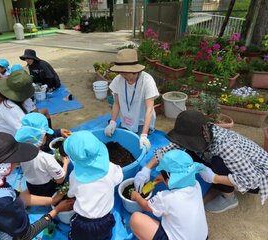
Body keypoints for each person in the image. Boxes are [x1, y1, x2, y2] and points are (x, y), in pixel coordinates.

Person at [135, 110, 268, 213]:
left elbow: (252, 179)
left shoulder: (226, 146)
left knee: (217, 163)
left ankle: (229, 198)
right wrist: (146, 169)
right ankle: (219, 179)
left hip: (259, 175)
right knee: (186, 152)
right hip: (239, 165)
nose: (184, 143)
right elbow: (169, 149)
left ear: (200, 138)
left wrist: (215, 178)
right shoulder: (200, 131)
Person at [130, 149, 208, 240]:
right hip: (202, 237)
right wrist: (164, 179)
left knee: (136, 219)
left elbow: (146, 206)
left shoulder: (166, 198)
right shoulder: (196, 185)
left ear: (168, 179)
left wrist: (136, 196)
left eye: (162, 174)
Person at [64, 130, 123, 240]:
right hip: (105, 221)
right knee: (105, 236)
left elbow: (71, 194)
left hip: (83, 223)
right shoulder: (111, 168)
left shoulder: (74, 176)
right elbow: (119, 177)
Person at [104, 49, 159, 152]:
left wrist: (144, 134)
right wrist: (112, 122)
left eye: (125, 72)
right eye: (120, 72)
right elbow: (116, 103)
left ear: (135, 70)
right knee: (118, 144)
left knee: (135, 147)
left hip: (142, 122)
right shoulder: (118, 80)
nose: (122, 75)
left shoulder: (147, 81)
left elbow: (149, 109)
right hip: (126, 121)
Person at [15, 112, 71, 197]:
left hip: (31, 186)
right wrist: (66, 163)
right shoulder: (47, 158)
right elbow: (60, 179)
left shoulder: (21, 153)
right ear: (43, 137)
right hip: (47, 189)